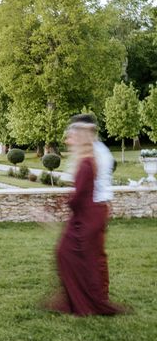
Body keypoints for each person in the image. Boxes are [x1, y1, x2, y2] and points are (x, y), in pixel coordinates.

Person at [47, 121, 124, 316]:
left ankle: (89, 301)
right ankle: (81, 298)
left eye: (70, 136)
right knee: (73, 255)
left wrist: (62, 204)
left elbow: (81, 194)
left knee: (71, 254)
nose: (67, 140)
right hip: (86, 214)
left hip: (88, 216)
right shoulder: (87, 159)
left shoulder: (88, 162)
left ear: (80, 139)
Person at [69, 114, 114, 296]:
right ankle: (88, 290)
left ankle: (99, 294)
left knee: (95, 253)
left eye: (76, 130)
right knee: (85, 252)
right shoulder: (88, 150)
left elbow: (91, 185)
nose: (73, 134)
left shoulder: (98, 153)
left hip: (95, 206)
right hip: (91, 207)